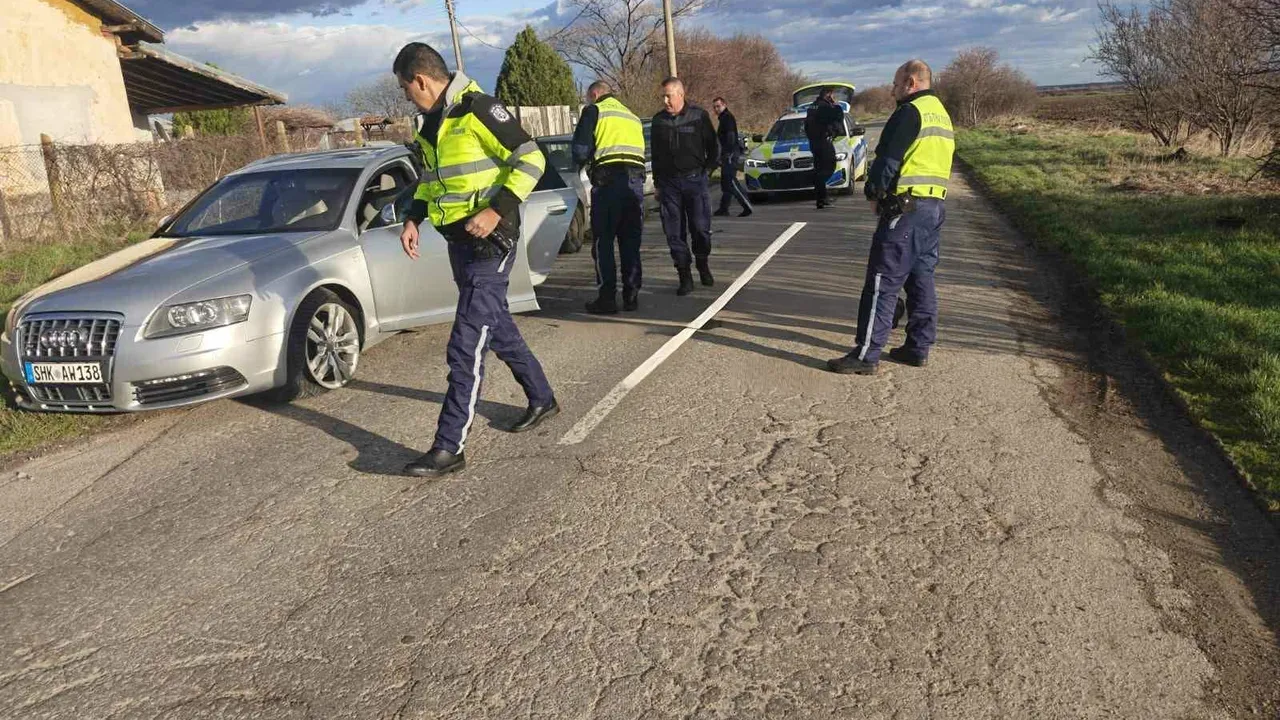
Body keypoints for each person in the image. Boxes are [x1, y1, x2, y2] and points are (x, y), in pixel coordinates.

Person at [394, 42, 560, 476]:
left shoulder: (479, 109)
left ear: (421, 81)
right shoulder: (431, 125)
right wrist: (413, 218)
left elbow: (532, 158)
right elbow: (431, 181)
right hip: (459, 244)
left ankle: (450, 446)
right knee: (497, 327)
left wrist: (495, 209)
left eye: (405, 88)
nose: (407, 96)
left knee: (466, 342)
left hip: (493, 242)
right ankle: (542, 397)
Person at [827, 59, 954, 375]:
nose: (893, 89)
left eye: (896, 84)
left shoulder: (909, 112)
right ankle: (918, 347)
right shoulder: (940, 112)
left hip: (906, 210)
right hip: (933, 209)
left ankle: (866, 354)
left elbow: (888, 160)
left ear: (911, 82)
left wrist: (873, 193)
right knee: (921, 279)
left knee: (882, 281)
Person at [571, 80, 647, 314]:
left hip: (608, 183)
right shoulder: (632, 117)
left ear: (594, 94)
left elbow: (580, 150)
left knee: (604, 242)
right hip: (635, 184)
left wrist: (582, 164)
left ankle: (607, 298)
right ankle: (631, 295)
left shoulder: (595, 110)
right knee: (630, 243)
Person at [650, 77, 720, 295]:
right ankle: (684, 275)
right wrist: (658, 184)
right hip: (669, 185)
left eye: (668, 96)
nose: (665, 100)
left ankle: (702, 263)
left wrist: (706, 172)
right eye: (663, 96)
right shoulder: (658, 121)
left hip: (694, 181)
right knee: (674, 233)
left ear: (680, 94)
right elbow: (656, 155)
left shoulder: (698, 116)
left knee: (700, 229)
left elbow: (714, 148)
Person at [711, 97, 753, 218]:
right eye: (714, 107)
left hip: (730, 154)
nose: (716, 109)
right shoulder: (723, 118)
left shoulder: (727, 118)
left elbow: (730, 137)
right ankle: (724, 208)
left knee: (731, 181)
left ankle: (746, 205)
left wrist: (727, 153)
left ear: (724, 105)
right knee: (725, 183)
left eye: (718, 106)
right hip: (727, 154)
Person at [804, 87, 845, 210]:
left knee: (819, 168)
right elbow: (838, 116)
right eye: (832, 95)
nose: (833, 97)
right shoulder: (825, 107)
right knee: (829, 167)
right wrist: (835, 105)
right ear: (828, 95)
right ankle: (821, 194)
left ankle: (821, 198)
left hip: (813, 142)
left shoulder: (812, 106)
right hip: (823, 141)